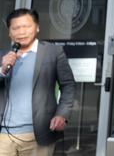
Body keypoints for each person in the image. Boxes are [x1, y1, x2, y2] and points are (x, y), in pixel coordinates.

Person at [0, 9, 75, 156]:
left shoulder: (53, 52)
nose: (21, 31)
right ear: (10, 32)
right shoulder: (3, 56)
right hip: (3, 134)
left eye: (26, 26)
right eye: (16, 28)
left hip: (38, 134)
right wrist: (2, 70)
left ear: (37, 27)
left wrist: (62, 114)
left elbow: (68, 85)